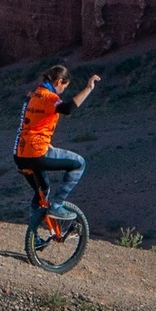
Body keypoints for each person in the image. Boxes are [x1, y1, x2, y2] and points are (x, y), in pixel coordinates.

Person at [13, 64, 98, 220]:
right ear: (59, 82)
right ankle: (57, 205)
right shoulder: (50, 97)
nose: (63, 91)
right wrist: (88, 88)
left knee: (42, 191)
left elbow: (30, 123)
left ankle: (34, 233)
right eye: (64, 87)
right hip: (37, 153)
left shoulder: (32, 95)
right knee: (79, 163)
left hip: (19, 153)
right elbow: (67, 109)